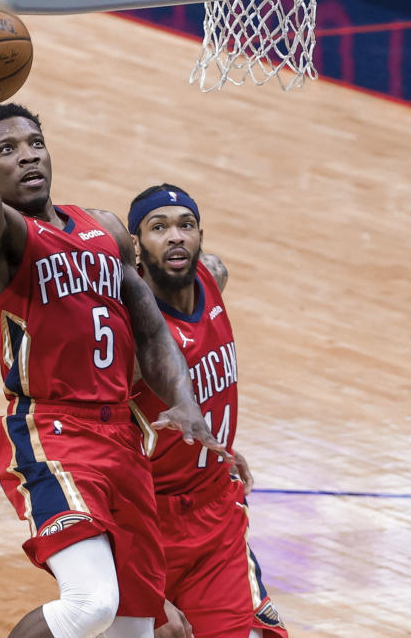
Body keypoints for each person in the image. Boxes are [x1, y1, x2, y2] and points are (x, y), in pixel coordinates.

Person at [0, 48, 230, 638]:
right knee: (90, 603)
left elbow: (148, 326)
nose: (27, 155)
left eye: (34, 142)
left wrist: (184, 402)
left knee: (135, 628)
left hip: (123, 439)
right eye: (5, 151)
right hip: (54, 432)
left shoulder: (104, 230)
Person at [126, 184, 288, 638]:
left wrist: (218, 444)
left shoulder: (213, 276)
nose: (175, 236)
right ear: (137, 245)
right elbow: (100, 442)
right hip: (145, 523)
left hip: (214, 509)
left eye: (186, 225)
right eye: (158, 227)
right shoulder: (128, 331)